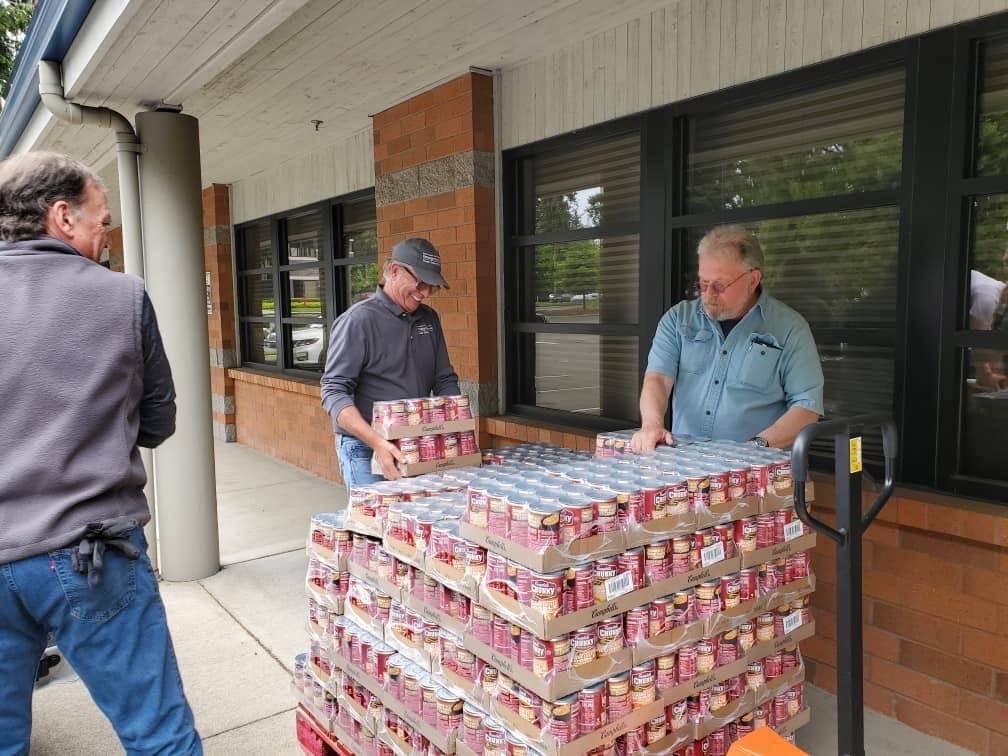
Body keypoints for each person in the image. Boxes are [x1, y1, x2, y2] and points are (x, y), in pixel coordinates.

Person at [0, 152, 201, 755]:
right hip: (90, 553)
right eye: (101, 221)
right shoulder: (122, 297)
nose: (104, 235)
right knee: (158, 737)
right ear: (61, 216)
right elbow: (159, 422)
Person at [631, 225, 824, 452]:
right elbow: (658, 379)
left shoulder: (790, 328)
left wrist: (755, 448)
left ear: (753, 280)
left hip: (757, 473)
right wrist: (652, 424)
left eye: (719, 285)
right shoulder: (678, 319)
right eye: (703, 283)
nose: (709, 294)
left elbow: (807, 408)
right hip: (687, 468)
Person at [321, 237, 461, 487]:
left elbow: (444, 380)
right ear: (395, 271)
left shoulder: (429, 319)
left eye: (431, 286)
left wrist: (457, 429)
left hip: (416, 443)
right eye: (420, 283)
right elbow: (333, 391)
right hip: (364, 448)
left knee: (412, 521)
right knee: (375, 524)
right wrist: (377, 442)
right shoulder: (358, 321)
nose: (425, 293)